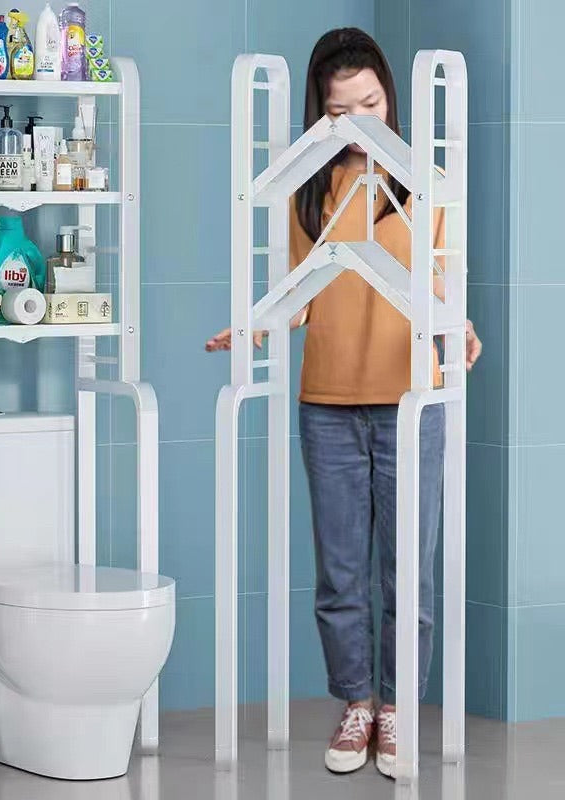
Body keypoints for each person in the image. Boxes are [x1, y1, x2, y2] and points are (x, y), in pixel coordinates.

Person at [206, 28, 482, 779]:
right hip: (326, 403)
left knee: (409, 573)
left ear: (390, 96)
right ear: (319, 113)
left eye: (371, 102)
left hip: (411, 400)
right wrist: (253, 325)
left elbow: (442, 287)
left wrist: (461, 330)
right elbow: (297, 298)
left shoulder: (426, 182)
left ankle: (397, 710)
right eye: (341, 109)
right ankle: (357, 702)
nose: (360, 120)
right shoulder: (310, 188)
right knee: (339, 574)